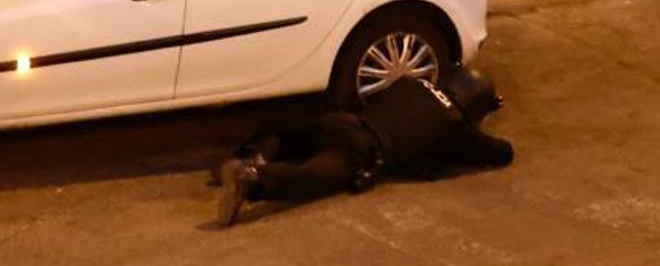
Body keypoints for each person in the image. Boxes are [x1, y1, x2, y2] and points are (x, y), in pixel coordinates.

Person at [215, 66, 514, 226]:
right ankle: (253, 180)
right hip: (362, 149)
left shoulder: (412, 83)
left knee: (290, 136)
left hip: (344, 122)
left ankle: (253, 152)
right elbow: (502, 153)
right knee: (311, 177)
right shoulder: (454, 126)